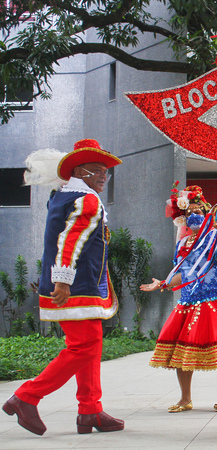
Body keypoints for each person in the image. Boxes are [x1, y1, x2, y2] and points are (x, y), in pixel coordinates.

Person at [3, 139, 124, 435]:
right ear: (78, 171)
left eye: (105, 171)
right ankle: (27, 397)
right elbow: (70, 241)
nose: (102, 176)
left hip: (75, 284)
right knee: (85, 345)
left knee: (89, 346)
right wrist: (63, 280)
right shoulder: (87, 200)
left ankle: (90, 411)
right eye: (95, 170)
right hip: (74, 286)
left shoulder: (62, 196)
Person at [140, 185, 217, 413]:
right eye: (190, 213)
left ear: (207, 215)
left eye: (199, 211)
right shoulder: (182, 244)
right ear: (183, 219)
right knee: (182, 350)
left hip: (216, 297)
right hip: (190, 300)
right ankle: (185, 398)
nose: (194, 216)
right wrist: (163, 282)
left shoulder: (214, 239)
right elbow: (183, 274)